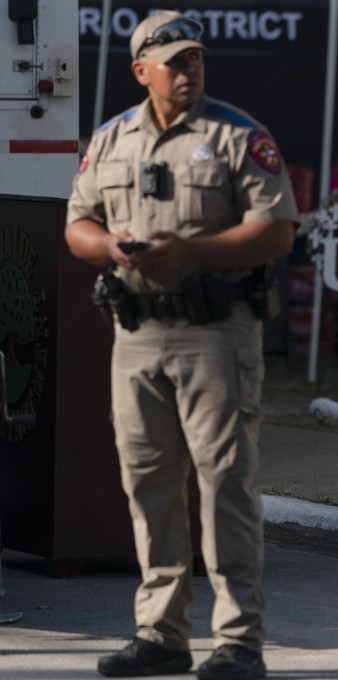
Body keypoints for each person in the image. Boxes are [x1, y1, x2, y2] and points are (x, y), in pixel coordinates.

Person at [65, 12, 297, 679]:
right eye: (174, 61)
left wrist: (189, 251)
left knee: (225, 484)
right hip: (135, 334)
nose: (189, 70)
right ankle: (161, 634)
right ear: (141, 72)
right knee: (148, 486)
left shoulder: (238, 135)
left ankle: (238, 642)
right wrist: (108, 247)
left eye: (195, 58)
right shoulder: (112, 139)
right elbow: (77, 223)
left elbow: (278, 231)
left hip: (215, 333)